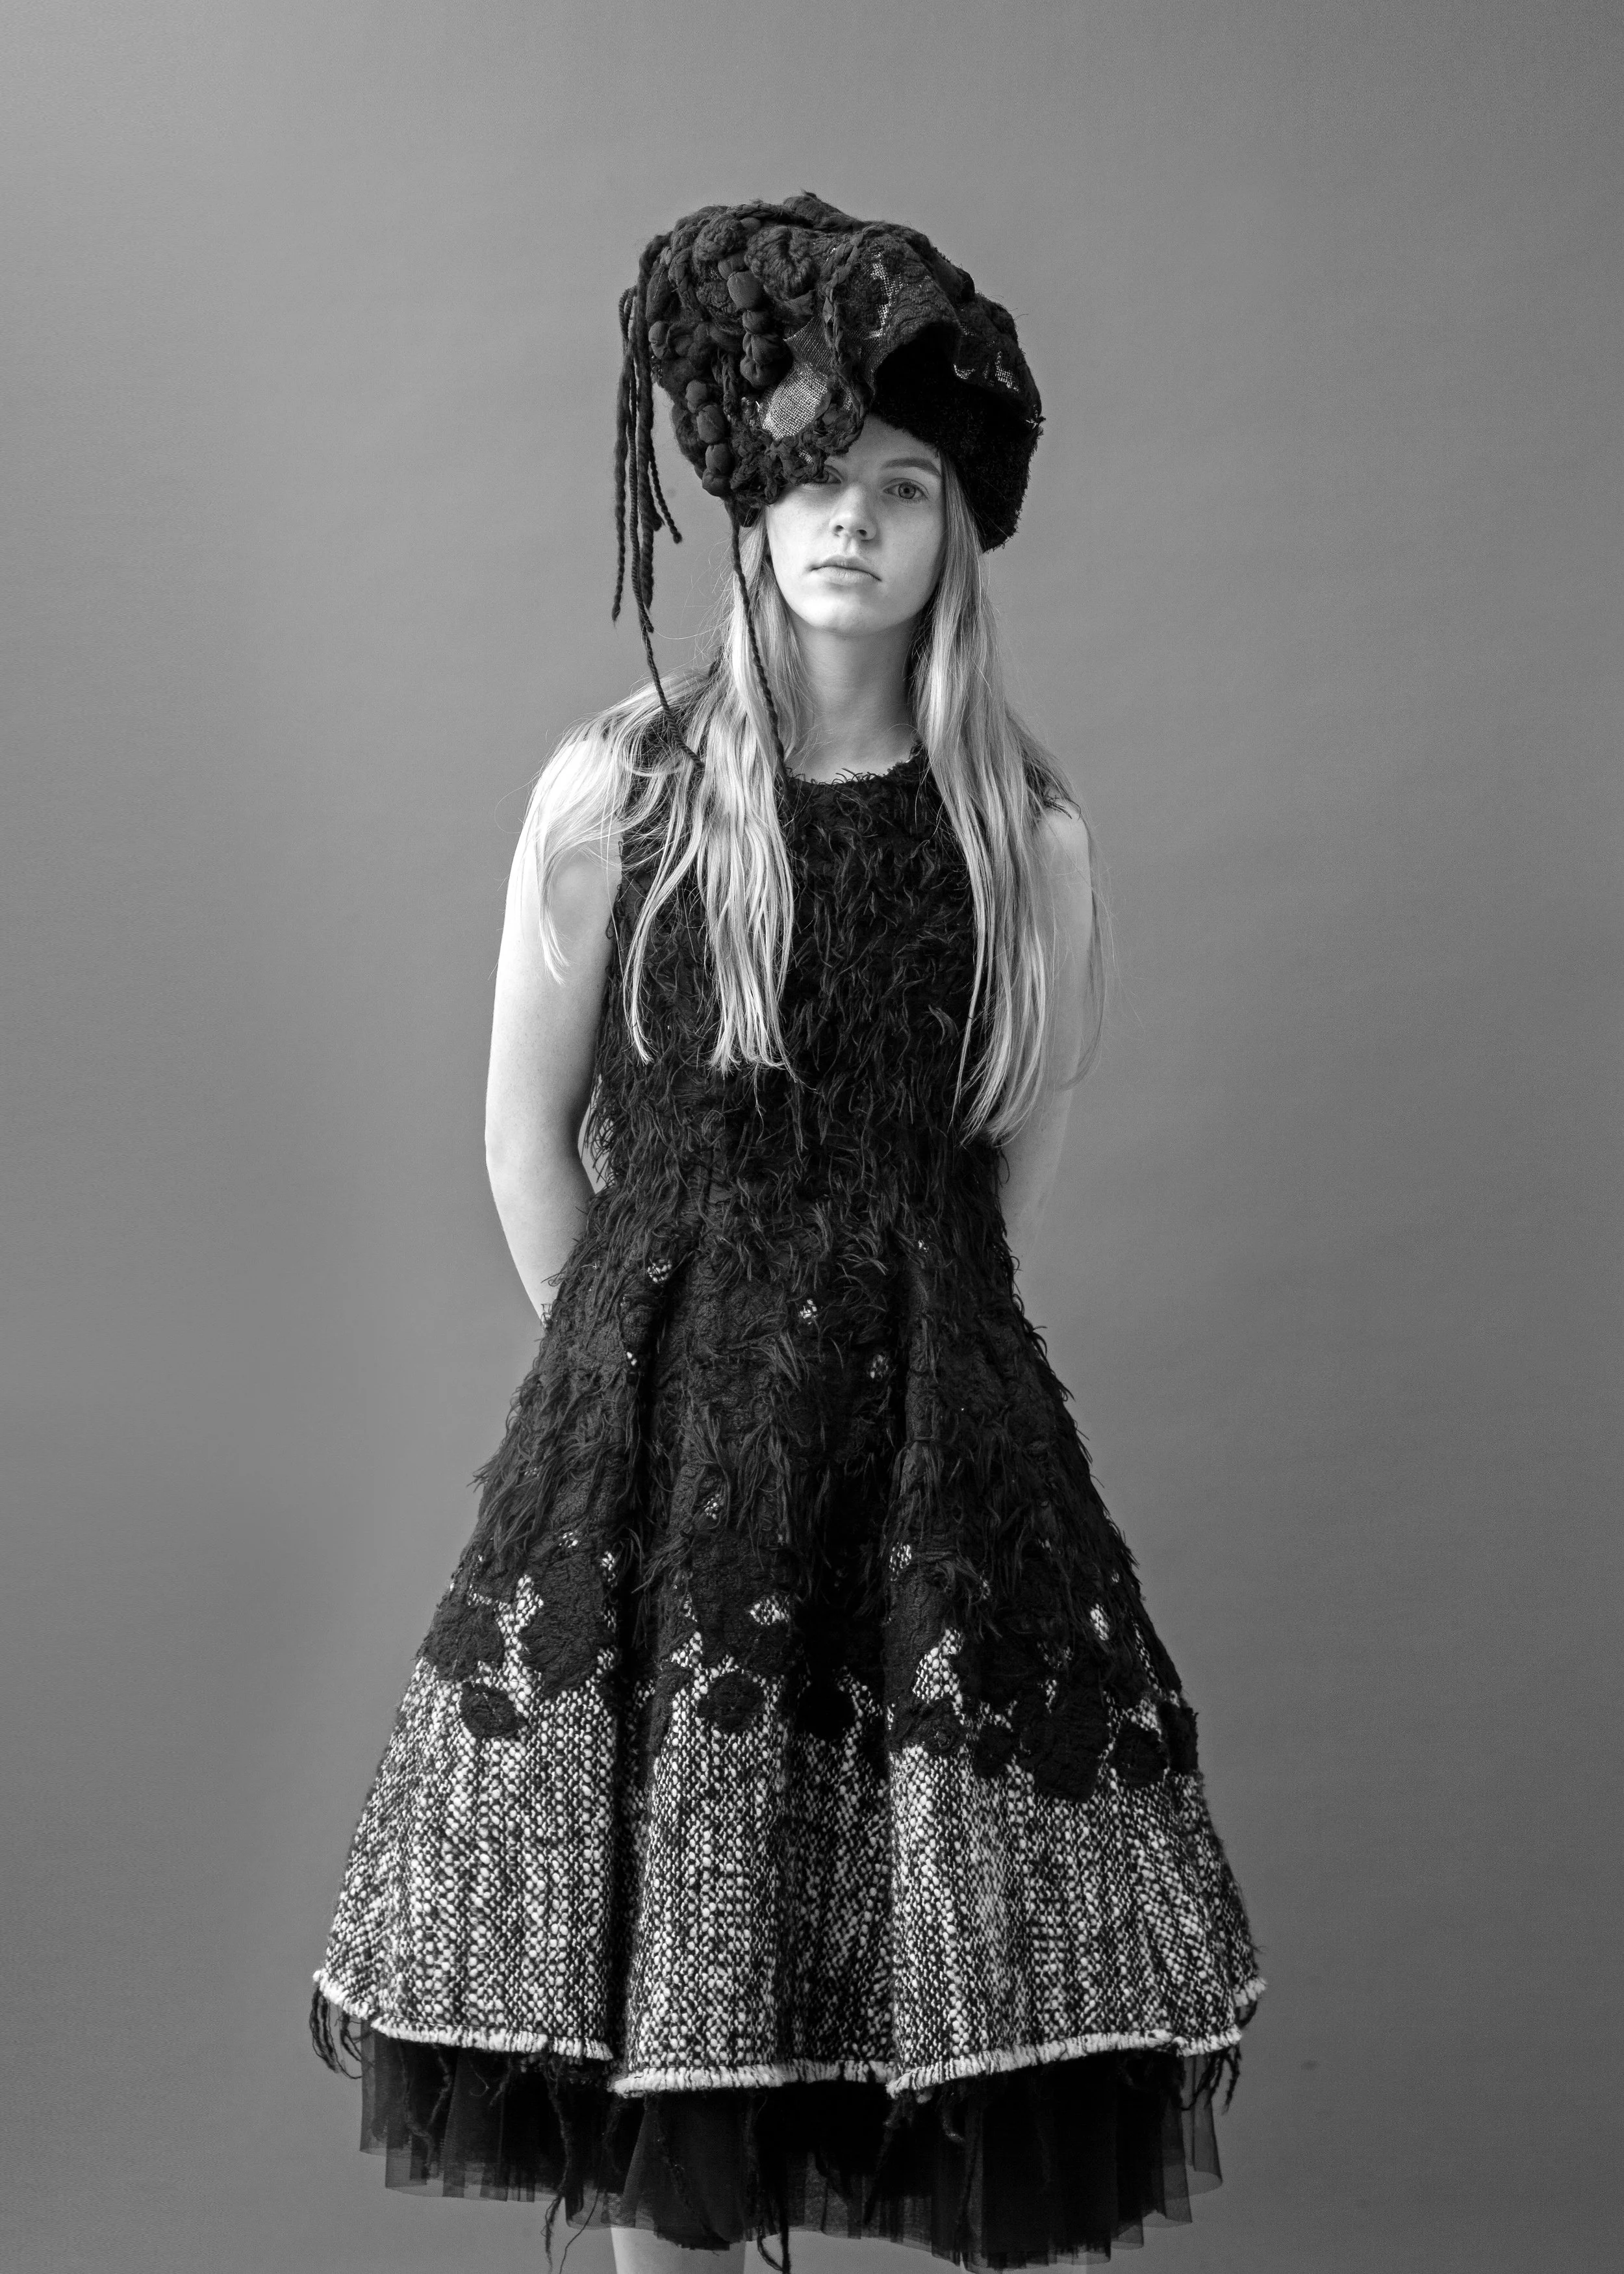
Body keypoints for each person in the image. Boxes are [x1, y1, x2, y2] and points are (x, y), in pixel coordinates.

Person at [310, 194, 1263, 2273]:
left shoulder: (1022, 836)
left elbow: (997, 1172)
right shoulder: (618, 795)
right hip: (655, 1449)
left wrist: (890, 1342)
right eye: (816, 472)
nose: (853, 518)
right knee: (670, 1997)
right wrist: (641, 1369)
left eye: (902, 485)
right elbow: (523, 1137)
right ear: (745, 502)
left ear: (955, 530)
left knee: (902, 1970)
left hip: (925, 1453)